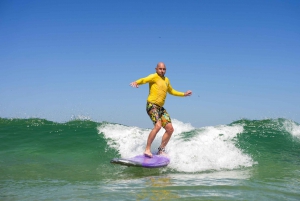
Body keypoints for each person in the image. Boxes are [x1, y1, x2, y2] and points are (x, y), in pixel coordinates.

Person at [130, 62, 192, 157]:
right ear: (156, 69)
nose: (162, 71)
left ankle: (161, 150)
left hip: (160, 108)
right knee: (158, 126)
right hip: (151, 105)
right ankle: (147, 149)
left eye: (164, 69)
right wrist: (136, 82)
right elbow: (144, 80)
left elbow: (171, 91)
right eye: (160, 69)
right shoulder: (154, 76)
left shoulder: (166, 80)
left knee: (170, 129)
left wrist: (184, 94)